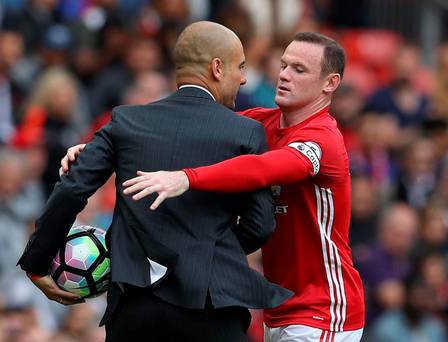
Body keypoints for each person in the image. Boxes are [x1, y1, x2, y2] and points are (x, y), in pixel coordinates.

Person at [67, 32, 365, 342]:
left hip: (325, 309)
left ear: (330, 83)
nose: (284, 75)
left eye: (299, 70)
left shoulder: (323, 139)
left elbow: (264, 168)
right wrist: (95, 148)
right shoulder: (260, 124)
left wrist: (187, 177)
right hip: (282, 309)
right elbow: (181, 127)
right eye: (284, 65)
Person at [18, 21, 292, 342]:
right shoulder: (245, 132)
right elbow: (260, 225)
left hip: (136, 309)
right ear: (217, 68)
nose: (243, 78)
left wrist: (37, 263)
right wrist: (209, 249)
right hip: (212, 306)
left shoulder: (125, 121)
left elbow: (72, 189)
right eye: (240, 67)